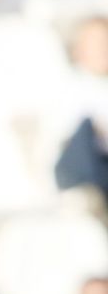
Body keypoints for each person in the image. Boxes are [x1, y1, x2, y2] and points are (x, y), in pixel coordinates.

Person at [55, 16, 108, 216]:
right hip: (89, 173)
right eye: (96, 43)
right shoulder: (67, 88)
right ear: (79, 49)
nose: (103, 49)